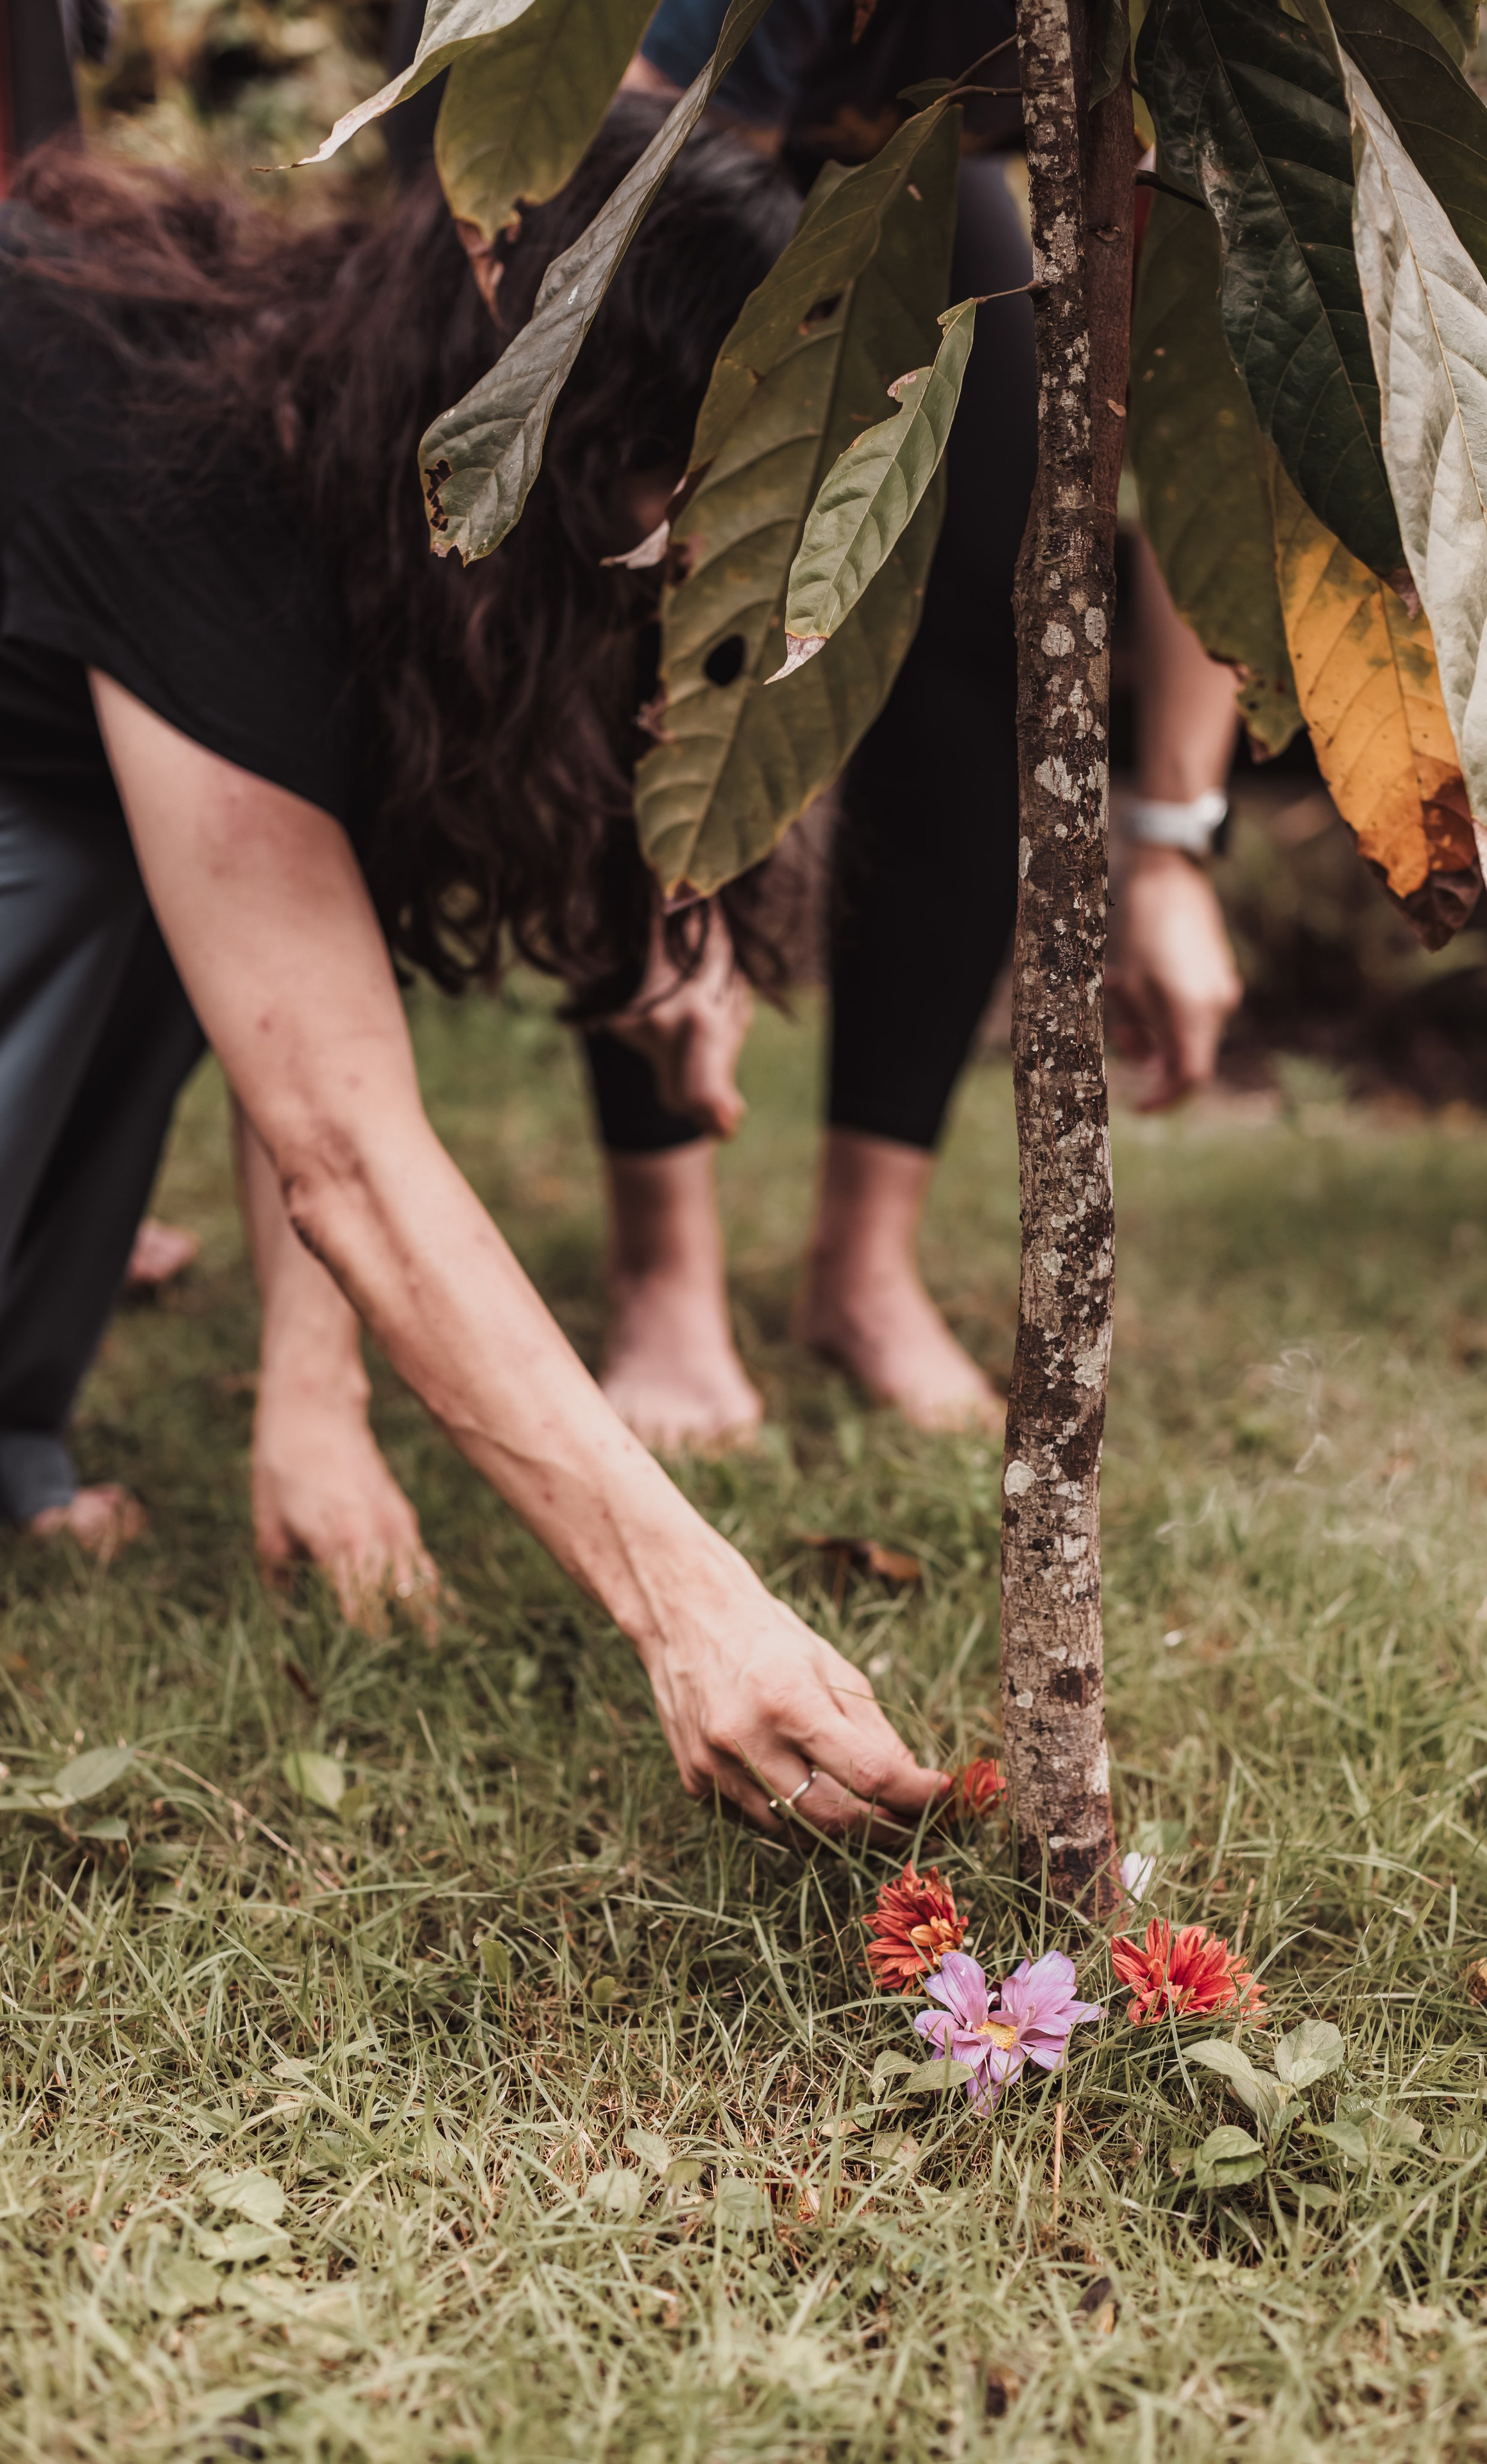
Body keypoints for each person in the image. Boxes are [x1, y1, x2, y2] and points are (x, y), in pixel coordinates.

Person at [0, 104, 950, 1832]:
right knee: (69, 887)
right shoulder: (182, 484)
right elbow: (339, 1133)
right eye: (701, 493)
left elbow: (305, 933)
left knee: (143, 888)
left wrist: (317, 1396)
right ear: (584, 435)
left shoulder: (347, 468)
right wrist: (693, 1606)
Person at [582, 0, 1245, 1453]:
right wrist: (688, 870)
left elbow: (1225, 409)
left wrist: (1166, 841)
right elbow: (633, 405)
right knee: (627, 611)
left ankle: (858, 1270)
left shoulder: (1227, 61)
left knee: (991, 616)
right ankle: (662, 1270)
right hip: (630, 144)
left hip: (895, 147)